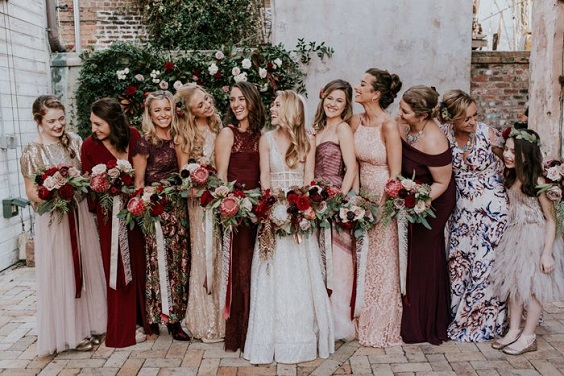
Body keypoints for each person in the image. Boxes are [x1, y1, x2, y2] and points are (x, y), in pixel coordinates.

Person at [244, 90, 334, 364]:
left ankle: (301, 338)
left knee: (300, 275)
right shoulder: (266, 139)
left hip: (298, 216)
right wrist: (270, 210)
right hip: (274, 215)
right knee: (272, 274)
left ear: (291, 110)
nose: (272, 109)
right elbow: (264, 178)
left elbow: (308, 180)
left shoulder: (308, 139)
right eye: (272, 104)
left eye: (277, 105)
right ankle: (269, 340)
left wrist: (303, 210)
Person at [21, 95, 107, 356]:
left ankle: (90, 324)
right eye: (51, 121)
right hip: (54, 219)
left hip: (79, 213)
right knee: (62, 273)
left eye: (61, 119)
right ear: (38, 121)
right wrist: (53, 192)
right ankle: (69, 333)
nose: (58, 125)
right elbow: (31, 192)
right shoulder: (32, 151)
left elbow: (84, 174)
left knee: (85, 267)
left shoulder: (75, 141)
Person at [438, 90, 508, 342]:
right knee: (459, 263)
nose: (472, 122)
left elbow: (510, 167)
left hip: (493, 211)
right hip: (462, 213)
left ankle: (488, 322)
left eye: (474, 115)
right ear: (451, 119)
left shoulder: (487, 134)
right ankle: (461, 315)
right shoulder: (443, 136)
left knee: (486, 265)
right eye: (466, 118)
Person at [82, 97, 149, 347]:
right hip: (109, 214)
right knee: (116, 266)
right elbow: (89, 184)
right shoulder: (89, 146)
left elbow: (143, 174)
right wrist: (103, 187)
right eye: (92, 123)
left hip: (135, 210)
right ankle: (124, 324)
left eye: (99, 124)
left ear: (113, 121)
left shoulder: (132, 135)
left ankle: (143, 319)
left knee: (139, 262)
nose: (94, 129)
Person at [491, 128, 564, 355]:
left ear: (527, 154)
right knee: (514, 285)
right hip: (515, 236)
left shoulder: (537, 181)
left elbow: (552, 221)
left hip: (536, 238)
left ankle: (529, 335)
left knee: (533, 288)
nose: (508, 155)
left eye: (514, 151)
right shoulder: (512, 176)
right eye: (507, 150)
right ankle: (513, 330)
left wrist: (547, 252)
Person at [398, 85, 455, 345]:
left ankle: (424, 323)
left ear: (422, 115)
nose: (400, 114)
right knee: (412, 257)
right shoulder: (409, 127)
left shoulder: (434, 140)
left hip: (434, 201)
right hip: (415, 196)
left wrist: (415, 201)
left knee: (423, 258)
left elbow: (442, 183)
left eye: (406, 111)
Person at [350, 68, 403, 347]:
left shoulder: (389, 125)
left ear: (376, 93)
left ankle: (382, 321)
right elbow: (349, 158)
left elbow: (395, 174)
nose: (357, 88)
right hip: (360, 198)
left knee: (382, 261)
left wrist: (383, 206)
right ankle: (358, 318)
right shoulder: (355, 121)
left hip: (383, 199)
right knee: (362, 259)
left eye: (362, 84)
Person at [132, 91, 191, 341]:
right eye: (157, 110)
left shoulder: (179, 137)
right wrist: (143, 204)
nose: (163, 114)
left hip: (177, 208)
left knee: (178, 261)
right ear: (149, 113)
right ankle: (155, 316)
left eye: (167, 109)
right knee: (156, 261)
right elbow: (138, 181)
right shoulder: (144, 143)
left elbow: (185, 173)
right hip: (154, 209)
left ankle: (176, 319)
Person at [215, 81, 266, 351]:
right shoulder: (227, 133)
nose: (236, 105)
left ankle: (256, 326)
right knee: (240, 268)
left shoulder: (262, 135)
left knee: (258, 268)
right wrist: (230, 205)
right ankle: (239, 331)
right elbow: (221, 177)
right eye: (232, 100)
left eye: (241, 99)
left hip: (259, 210)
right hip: (236, 212)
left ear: (252, 101)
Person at [173, 84, 224, 342]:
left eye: (206, 99)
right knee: (203, 255)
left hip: (220, 199)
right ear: (190, 112)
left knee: (219, 253)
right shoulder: (184, 136)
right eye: (200, 105)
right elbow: (183, 175)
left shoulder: (218, 127)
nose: (207, 105)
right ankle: (203, 319)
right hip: (198, 202)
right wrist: (199, 183)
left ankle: (222, 318)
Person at [312, 79, 357, 341]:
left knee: (338, 263)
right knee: (319, 261)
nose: (333, 104)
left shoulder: (342, 130)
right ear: (323, 97)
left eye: (339, 100)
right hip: (314, 200)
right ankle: (321, 319)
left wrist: (339, 199)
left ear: (345, 105)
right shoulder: (316, 130)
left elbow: (351, 168)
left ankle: (339, 323)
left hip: (334, 199)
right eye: (330, 98)